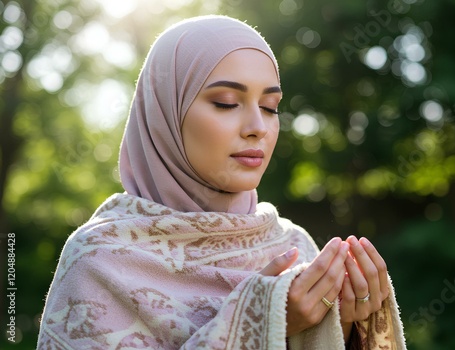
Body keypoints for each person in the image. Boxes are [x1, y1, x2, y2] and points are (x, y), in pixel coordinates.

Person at [37, 15, 406, 349]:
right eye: (227, 102)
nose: (257, 128)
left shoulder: (293, 247)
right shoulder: (100, 259)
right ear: (166, 114)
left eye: (270, 107)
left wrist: (338, 327)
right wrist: (259, 323)